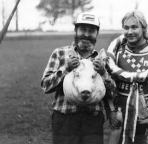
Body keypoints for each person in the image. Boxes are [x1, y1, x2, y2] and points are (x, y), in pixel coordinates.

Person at [41, 12, 116, 144]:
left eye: (91, 31)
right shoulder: (60, 53)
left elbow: (113, 93)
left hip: (92, 121)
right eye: (82, 29)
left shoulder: (102, 59)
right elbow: (46, 86)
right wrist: (66, 69)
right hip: (65, 120)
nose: (86, 35)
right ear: (75, 30)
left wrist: (103, 73)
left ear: (96, 34)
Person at [106, 10, 148, 144]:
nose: (129, 32)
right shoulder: (116, 54)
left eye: (134, 27)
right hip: (120, 121)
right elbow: (107, 86)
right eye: (126, 27)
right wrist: (111, 111)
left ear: (144, 27)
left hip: (146, 121)